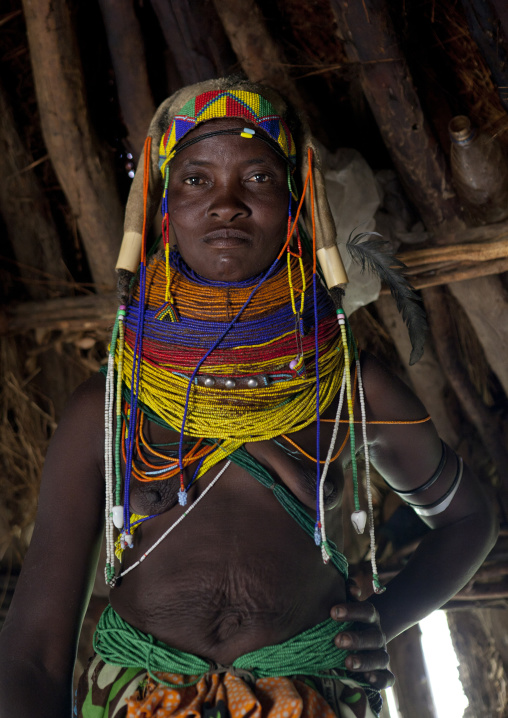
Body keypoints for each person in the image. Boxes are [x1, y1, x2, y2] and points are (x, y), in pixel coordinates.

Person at [0, 77, 498, 718]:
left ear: (295, 206)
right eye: (196, 180)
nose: (226, 204)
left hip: (311, 697)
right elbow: (32, 652)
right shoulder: (108, 408)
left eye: (258, 179)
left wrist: (385, 617)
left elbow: (469, 520)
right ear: (163, 210)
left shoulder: (349, 385)